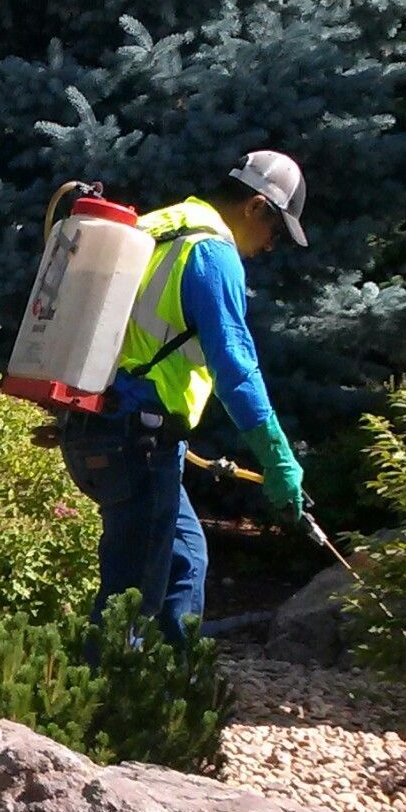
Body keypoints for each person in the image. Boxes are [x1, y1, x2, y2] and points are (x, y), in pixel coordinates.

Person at [59, 149, 309, 645]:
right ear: (256, 206)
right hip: (137, 440)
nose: (269, 247)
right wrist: (278, 459)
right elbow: (237, 369)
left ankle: (172, 692)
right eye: (276, 232)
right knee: (131, 601)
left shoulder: (155, 228)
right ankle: (106, 713)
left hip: (99, 428)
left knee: (184, 559)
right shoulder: (210, 252)